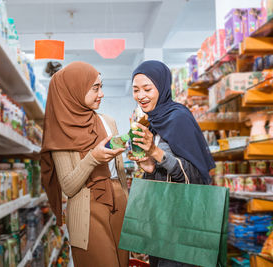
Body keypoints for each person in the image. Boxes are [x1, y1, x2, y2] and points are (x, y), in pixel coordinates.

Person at [41, 61, 129, 267]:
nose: (102, 94)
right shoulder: (60, 132)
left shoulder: (109, 121)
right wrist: (93, 158)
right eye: (95, 88)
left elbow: (118, 169)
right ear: (75, 90)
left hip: (119, 203)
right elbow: (69, 187)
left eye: (101, 86)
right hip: (87, 209)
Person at [128, 60, 216, 267]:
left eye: (147, 89)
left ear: (162, 87)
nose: (141, 96)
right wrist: (149, 166)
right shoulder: (152, 120)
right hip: (161, 217)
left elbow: (195, 175)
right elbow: (164, 166)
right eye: (136, 90)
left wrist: (155, 152)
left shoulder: (178, 118)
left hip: (182, 220)